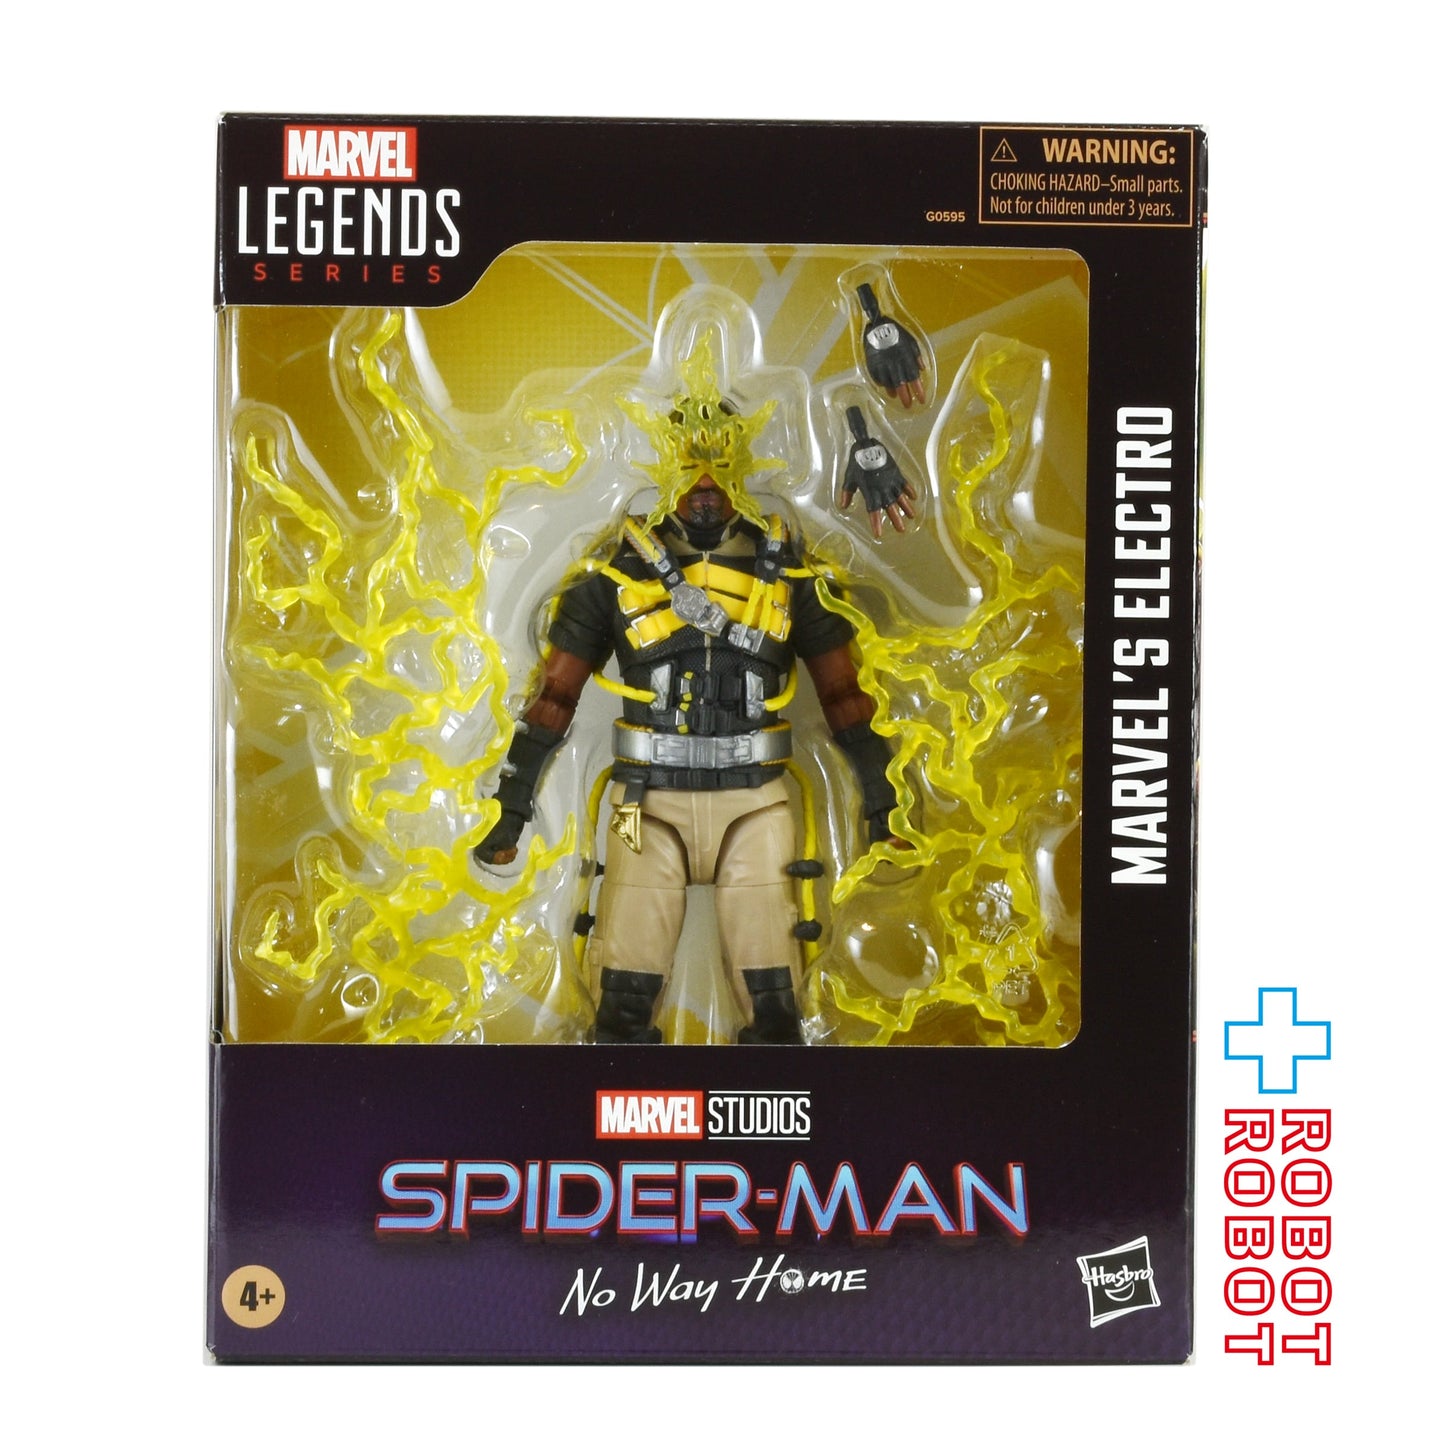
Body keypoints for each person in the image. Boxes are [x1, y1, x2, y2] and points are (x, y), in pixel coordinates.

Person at [473, 345, 904, 1044]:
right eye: (691, 471)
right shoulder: (613, 573)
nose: (704, 488)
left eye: (718, 471)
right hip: (643, 806)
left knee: (775, 1006)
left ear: (740, 469)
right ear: (666, 469)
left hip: (756, 801)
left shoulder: (790, 570)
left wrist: (882, 800)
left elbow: (845, 694)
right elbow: (552, 697)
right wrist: (513, 808)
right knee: (620, 1001)